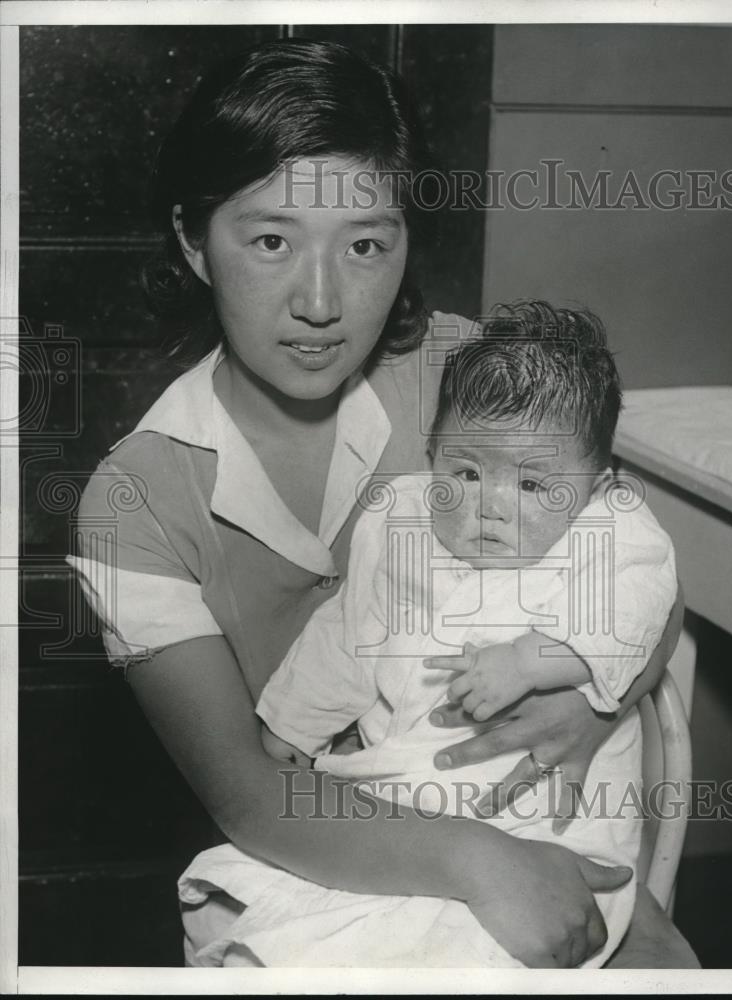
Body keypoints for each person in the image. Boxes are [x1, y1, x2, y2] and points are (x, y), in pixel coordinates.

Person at [66, 39, 693, 969]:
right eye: (270, 240)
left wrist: (595, 705)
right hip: (330, 854)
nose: (320, 300)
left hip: (557, 820)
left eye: (365, 245)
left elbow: (641, 571)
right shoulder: (132, 504)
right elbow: (246, 792)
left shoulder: (466, 376)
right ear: (194, 242)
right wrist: (479, 862)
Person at [176, 300, 678, 967]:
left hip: (544, 819)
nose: (489, 505)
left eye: (532, 484)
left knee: (453, 943)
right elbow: (348, 638)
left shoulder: (611, 531)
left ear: (596, 484)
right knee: (245, 886)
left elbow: (638, 607)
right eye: (464, 472)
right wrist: (290, 724)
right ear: (432, 453)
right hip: (399, 793)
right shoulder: (404, 519)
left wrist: (536, 660)